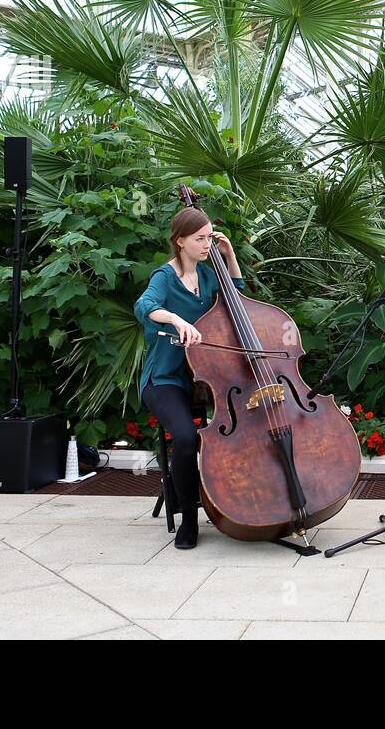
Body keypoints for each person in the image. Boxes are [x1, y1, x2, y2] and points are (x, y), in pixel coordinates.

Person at [134, 207, 245, 549]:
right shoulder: (164, 277)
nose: (206, 244)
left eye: (210, 237)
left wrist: (230, 256)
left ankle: (208, 493)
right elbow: (144, 305)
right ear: (180, 241)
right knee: (184, 436)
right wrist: (176, 321)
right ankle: (189, 521)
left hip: (205, 377)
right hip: (165, 378)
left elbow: (237, 299)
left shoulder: (211, 275)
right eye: (200, 239)